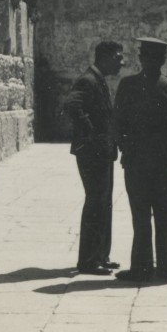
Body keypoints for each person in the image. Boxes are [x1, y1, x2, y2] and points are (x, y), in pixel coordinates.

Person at [114, 38, 167, 282]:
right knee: (164, 214)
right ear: (163, 60)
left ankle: (141, 267)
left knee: (140, 216)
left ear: (141, 59)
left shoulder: (128, 85)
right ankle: (166, 267)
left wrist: (126, 148)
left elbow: (117, 123)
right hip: (163, 163)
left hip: (137, 162)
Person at [65, 40, 124, 275]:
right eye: (119, 57)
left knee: (104, 202)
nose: (122, 62)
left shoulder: (97, 79)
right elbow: (71, 106)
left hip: (102, 152)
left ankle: (101, 255)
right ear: (106, 57)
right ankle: (88, 261)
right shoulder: (88, 80)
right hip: (93, 153)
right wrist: (90, 133)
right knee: (95, 202)